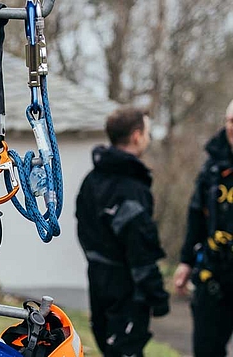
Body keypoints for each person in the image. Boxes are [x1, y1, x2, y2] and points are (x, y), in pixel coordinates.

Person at [76, 106, 170, 357]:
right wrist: (157, 295)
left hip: (97, 279)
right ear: (137, 135)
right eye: (148, 132)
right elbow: (141, 246)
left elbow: (82, 227)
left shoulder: (92, 179)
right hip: (124, 288)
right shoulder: (130, 187)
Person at [173, 99, 233, 357]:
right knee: (207, 349)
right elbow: (196, 215)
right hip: (214, 273)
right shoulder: (212, 167)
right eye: (231, 121)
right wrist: (186, 262)